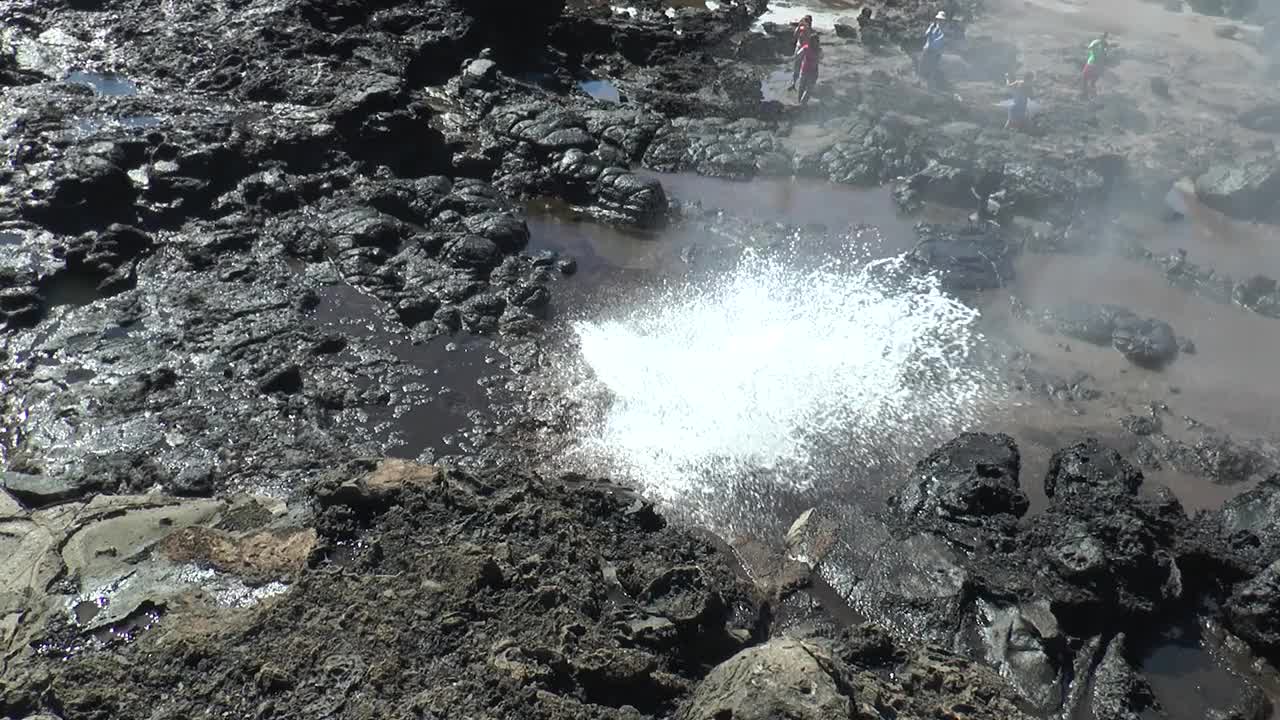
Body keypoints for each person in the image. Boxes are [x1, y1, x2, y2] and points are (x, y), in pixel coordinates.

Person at [920, 12, 947, 89]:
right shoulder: (933, 27)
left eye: (942, 20)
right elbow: (926, 34)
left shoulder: (944, 30)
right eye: (939, 19)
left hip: (935, 51)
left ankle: (930, 85)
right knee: (923, 65)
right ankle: (921, 82)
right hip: (928, 49)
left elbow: (940, 40)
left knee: (932, 68)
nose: (940, 21)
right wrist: (931, 28)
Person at [787, 15, 814, 91]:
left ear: (810, 22)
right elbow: (796, 35)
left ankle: (803, 86)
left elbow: (808, 41)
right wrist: (799, 26)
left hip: (805, 49)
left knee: (803, 68)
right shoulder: (802, 27)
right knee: (796, 67)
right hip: (799, 47)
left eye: (806, 20)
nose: (805, 22)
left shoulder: (810, 30)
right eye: (804, 20)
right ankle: (793, 83)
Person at [1081, 32, 1111, 99]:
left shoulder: (1096, 45)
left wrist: (1097, 43)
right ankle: (1093, 96)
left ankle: (1085, 95)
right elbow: (1106, 53)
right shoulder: (1105, 49)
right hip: (1099, 67)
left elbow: (1090, 48)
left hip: (1091, 64)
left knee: (1084, 78)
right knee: (1092, 82)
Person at [796, 32, 822, 105]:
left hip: (806, 71)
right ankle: (802, 104)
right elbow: (822, 57)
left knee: (802, 88)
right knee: (808, 90)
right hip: (812, 71)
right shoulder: (818, 49)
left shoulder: (806, 47)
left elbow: (798, 55)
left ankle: (800, 104)